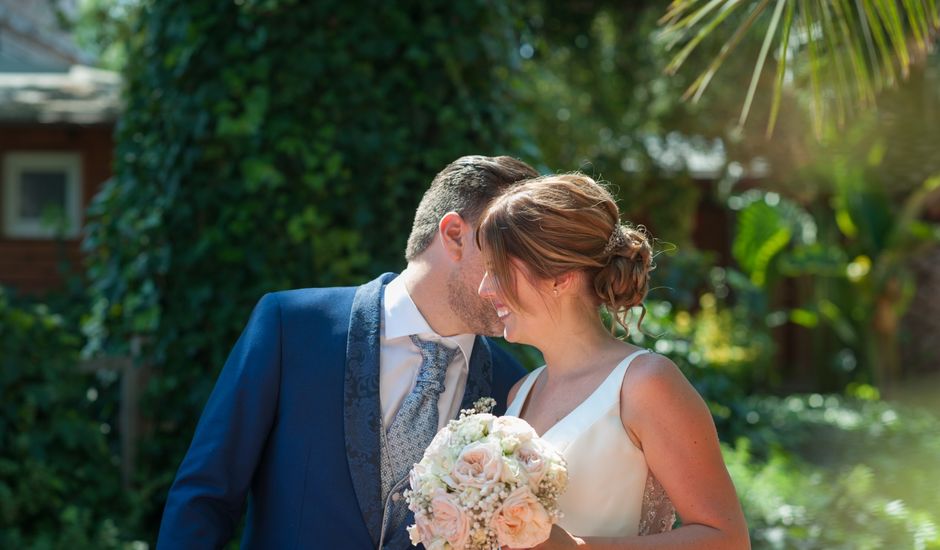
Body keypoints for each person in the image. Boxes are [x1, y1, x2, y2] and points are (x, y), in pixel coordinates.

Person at [156, 155, 539, 550]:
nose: (528, 275)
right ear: (455, 235)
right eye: (514, 251)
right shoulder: (293, 329)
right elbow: (205, 497)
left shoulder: (514, 389)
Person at [476, 174, 750, 549]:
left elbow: (728, 540)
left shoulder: (646, 384)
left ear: (560, 277)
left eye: (499, 270)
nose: (485, 289)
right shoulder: (520, 392)